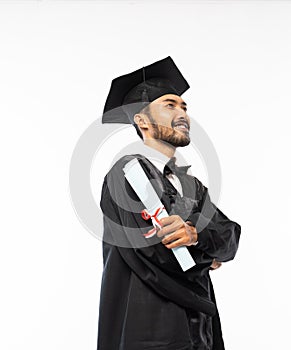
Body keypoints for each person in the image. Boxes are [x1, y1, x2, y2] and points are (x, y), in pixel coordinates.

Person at [97, 56, 241, 350]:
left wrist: (197, 236)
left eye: (184, 107)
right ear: (142, 120)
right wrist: (208, 254)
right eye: (169, 105)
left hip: (201, 332)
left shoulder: (191, 185)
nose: (182, 114)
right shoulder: (128, 174)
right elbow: (163, 254)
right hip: (148, 330)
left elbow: (231, 236)